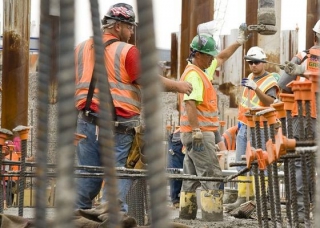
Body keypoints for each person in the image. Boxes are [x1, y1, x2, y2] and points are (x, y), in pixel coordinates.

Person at [74, 3, 192, 211]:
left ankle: (79, 220)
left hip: (86, 123)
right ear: (118, 26)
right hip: (119, 128)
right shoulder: (127, 51)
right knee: (117, 185)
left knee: (86, 179)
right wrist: (178, 86)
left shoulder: (81, 48)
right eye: (130, 28)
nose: (131, 33)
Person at [178, 25, 249, 221]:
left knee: (191, 177)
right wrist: (197, 131)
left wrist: (239, 41)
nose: (212, 59)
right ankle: (213, 218)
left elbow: (222, 57)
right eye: (208, 55)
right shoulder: (194, 75)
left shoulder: (201, 70)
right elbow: (190, 104)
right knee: (211, 174)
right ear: (198, 54)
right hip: (198, 133)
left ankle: (186, 215)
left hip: (193, 132)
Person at [278, 18, 320, 222]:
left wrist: (299, 73)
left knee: (298, 164)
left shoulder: (302, 57)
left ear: (314, 36)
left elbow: (281, 84)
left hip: (300, 117)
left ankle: (300, 215)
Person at [224, 46, 280, 212]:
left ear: (263, 62)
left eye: (256, 62)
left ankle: (260, 198)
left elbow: (271, 102)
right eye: (250, 63)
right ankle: (243, 198)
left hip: (261, 127)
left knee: (260, 162)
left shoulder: (270, 81)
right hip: (244, 125)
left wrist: (255, 88)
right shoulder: (250, 76)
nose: (253, 65)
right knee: (242, 162)